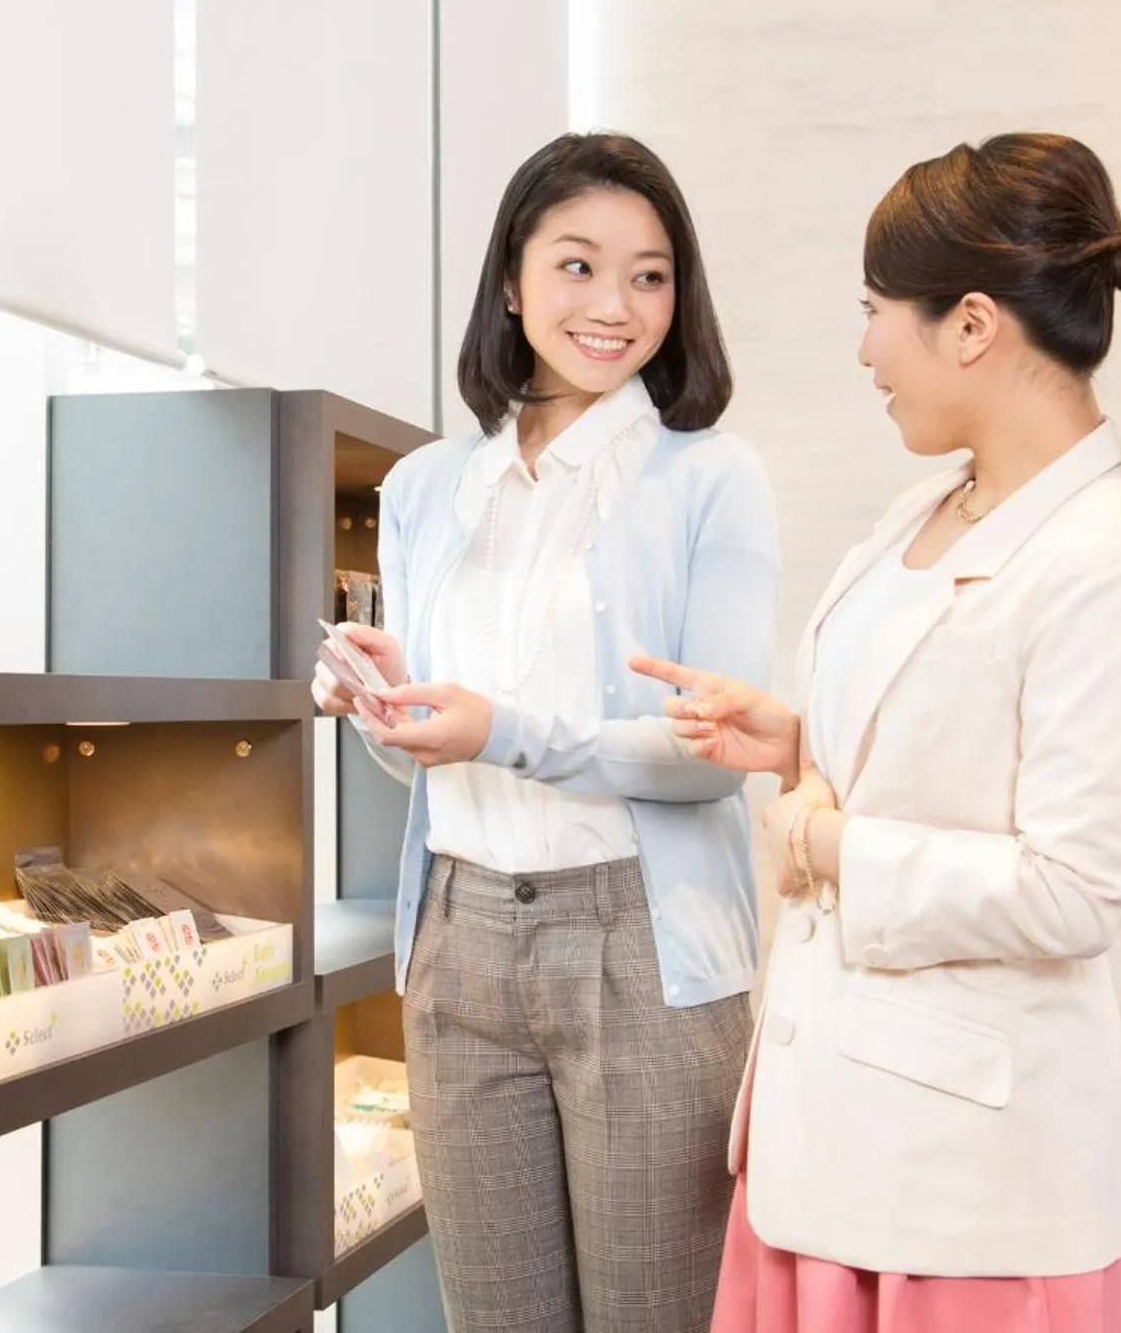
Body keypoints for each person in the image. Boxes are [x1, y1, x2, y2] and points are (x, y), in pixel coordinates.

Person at [635, 132, 1121, 1333]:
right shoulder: (931, 504)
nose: (865, 350)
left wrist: (830, 847)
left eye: (875, 313)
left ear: (970, 325)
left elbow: (1073, 889)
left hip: (964, 1196)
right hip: (831, 1139)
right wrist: (795, 739)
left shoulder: (1106, 561)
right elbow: (942, 753)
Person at [311, 132, 780, 1333]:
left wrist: (503, 731)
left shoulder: (709, 479)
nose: (614, 305)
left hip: (643, 947)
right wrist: (384, 704)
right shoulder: (424, 488)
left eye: (650, 274)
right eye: (577, 266)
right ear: (510, 282)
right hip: (457, 943)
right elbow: (430, 755)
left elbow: (709, 754)